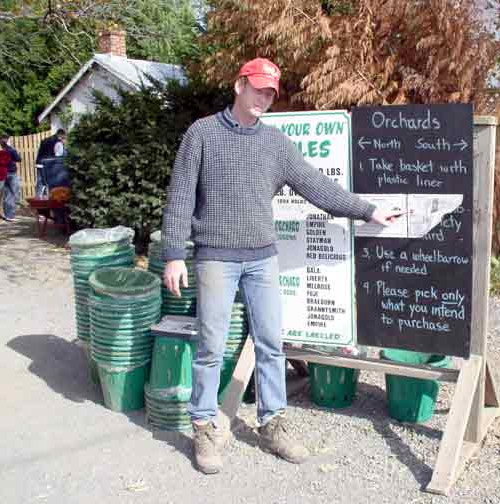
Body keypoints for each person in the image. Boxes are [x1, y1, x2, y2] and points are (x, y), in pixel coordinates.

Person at [161, 58, 404, 475]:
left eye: (271, 93)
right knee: (210, 346)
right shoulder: (201, 134)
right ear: (239, 85)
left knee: (272, 343)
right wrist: (173, 255)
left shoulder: (276, 144)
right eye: (258, 89)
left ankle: (272, 423)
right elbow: (180, 197)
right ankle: (203, 425)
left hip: (262, 259)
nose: (264, 98)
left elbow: (317, 186)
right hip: (215, 257)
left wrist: (368, 211)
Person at [35, 128, 66, 197]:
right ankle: (49, 197)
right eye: (63, 137)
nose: (63, 139)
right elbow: (58, 155)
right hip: (49, 165)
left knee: (40, 182)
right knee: (50, 182)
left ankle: (38, 198)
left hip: (39, 162)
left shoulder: (45, 140)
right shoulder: (58, 142)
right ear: (60, 135)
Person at [0, 134, 22, 222]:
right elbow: (19, 159)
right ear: (7, 140)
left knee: (6, 194)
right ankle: (10, 215)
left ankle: (8, 215)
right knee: (12, 194)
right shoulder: (10, 150)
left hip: (2, 174)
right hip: (11, 173)